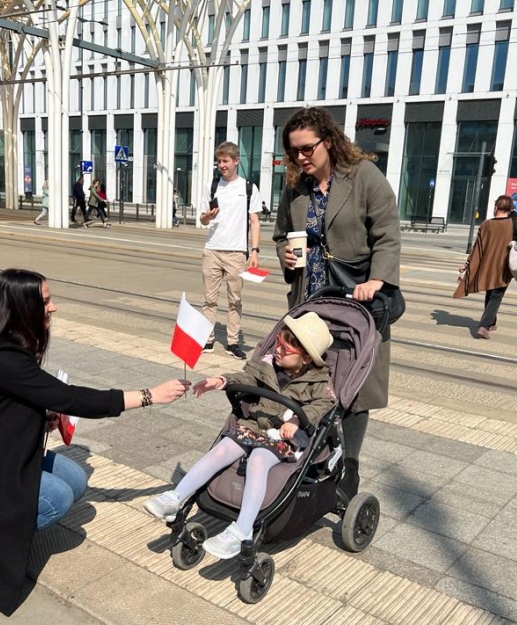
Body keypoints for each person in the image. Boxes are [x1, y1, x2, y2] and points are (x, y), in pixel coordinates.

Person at [0, 269, 190, 616]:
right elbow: (72, 398)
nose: (53, 307)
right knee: (58, 497)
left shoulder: (2, 343)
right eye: (45, 301)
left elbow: (0, 410)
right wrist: (150, 395)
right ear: (20, 308)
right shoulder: (4, 357)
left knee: (75, 478)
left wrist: (42, 418)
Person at [273, 106, 401, 501]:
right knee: (310, 383)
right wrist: (284, 254)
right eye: (293, 151)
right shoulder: (295, 186)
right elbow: (281, 234)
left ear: (328, 141)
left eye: (307, 149)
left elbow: (387, 233)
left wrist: (377, 279)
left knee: (354, 389)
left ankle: (350, 465)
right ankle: (314, 456)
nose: (300, 158)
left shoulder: (363, 176)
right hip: (310, 301)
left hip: (356, 304)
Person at [143, 312, 334, 558]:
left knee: (258, 460)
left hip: (282, 438)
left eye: (285, 349)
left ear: (306, 358)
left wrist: (298, 419)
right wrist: (222, 380)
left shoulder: (317, 383)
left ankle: (243, 529)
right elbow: (247, 378)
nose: (278, 350)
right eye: (278, 342)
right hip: (253, 426)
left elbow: (322, 405)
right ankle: (176, 497)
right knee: (222, 449)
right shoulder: (267, 365)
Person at [198, 141, 262, 360]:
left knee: (235, 300)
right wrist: (207, 217)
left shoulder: (248, 188)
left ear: (236, 161)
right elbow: (203, 219)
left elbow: (254, 220)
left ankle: (233, 342)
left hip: (236, 252)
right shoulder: (212, 186)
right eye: (219, 161)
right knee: (209, 299)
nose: (222, 165)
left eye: (225, 161)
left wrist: (255, 250)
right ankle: (207, 339)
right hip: (212, 250)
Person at [454, 195, 517, 339]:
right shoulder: (514, 222)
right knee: (496, 295)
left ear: (496, 208)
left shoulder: (486, 224)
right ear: (510, 209)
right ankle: (484, 325)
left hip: (487, 266)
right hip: (504, 266)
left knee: (490, 292)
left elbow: (477, 247)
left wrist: (467, 264)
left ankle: (491, 322)